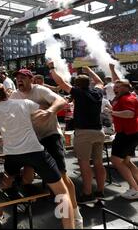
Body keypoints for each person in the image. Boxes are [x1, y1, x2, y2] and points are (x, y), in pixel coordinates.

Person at [0, 82, 74, 229]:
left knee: (6, 183)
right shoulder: (24, 103)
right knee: (62, 193)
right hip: (34, 152)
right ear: (7, 92)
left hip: (12, 155)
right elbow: (47, 109)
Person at [10, 68, 83, 228]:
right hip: (32, 140)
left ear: (30, 79)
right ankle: (11, 206)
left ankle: (75, 214)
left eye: (23, 77)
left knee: (61, 178)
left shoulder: (40, 90)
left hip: (50, 136)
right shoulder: (15, 96)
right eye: (17, 78)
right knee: (27, 177)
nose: (19, 80)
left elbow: (61, 101)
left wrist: (49, 111)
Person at [48, 63, 106, 204]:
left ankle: (87, 193)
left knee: (84, 163)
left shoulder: (79, 92)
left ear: (77, 85)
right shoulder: (97, 93)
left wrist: (51, 69)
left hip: (84, 133)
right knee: (98, 163)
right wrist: (89, 70)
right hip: (99, 131)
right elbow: (100, 82)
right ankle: (100, 191)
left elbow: (60, 82)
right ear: (88, 83)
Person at [107, 64, 138, 200]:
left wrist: (112, 112)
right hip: (129, 133)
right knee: (126, 162)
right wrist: (113, 70)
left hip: (128, 134)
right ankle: (135, 186)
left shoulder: (127, 98)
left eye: (118, 87)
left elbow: (130, 114)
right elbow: (118, 82)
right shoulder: (126, 94)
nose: (115, 88)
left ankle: (135, 189)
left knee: (115, 160)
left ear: (126, 88)